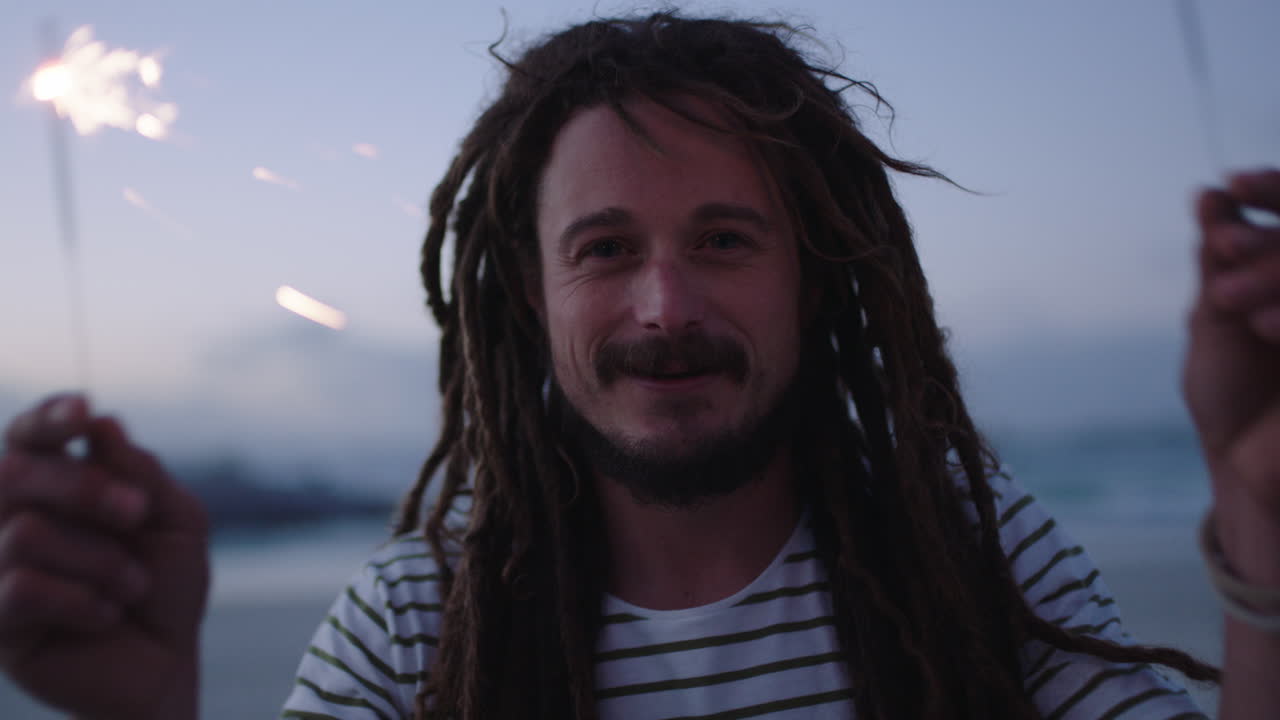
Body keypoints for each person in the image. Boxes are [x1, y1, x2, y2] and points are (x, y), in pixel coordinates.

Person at [1, 11, 1277, 720]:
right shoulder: (409, 631)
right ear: (532, 302)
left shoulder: (968, 551)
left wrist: (1257, 520)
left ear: (811, 275)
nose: (664, 306)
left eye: (723, 239)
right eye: (604, 247)